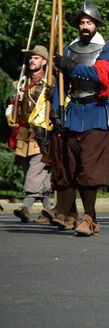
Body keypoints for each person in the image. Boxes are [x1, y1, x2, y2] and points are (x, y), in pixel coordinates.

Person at [50, 0, 109, 236]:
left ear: (97, 26)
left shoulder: (107, 48)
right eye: (82, 22)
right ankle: (69, 214)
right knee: (72, 168)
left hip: (96, 113)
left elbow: (100, 75)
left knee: (89, 169)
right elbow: (60, 83)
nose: (85, 26)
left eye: (89, 22)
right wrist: (56, 110)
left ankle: (90, 218)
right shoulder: (68, 50)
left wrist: (69, 66)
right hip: (74, 112)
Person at [9, 45, 53, 223]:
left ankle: (25, 207)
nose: (31, 60)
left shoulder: (50, 83)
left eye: (36, 58)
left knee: (36, 169)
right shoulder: (22, 82)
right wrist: (9, 114)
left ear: (44, 61)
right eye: (31, 58)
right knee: (31, 169)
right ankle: (49, 211)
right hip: (24, 132)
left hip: (41, 132)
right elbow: (14, 103)